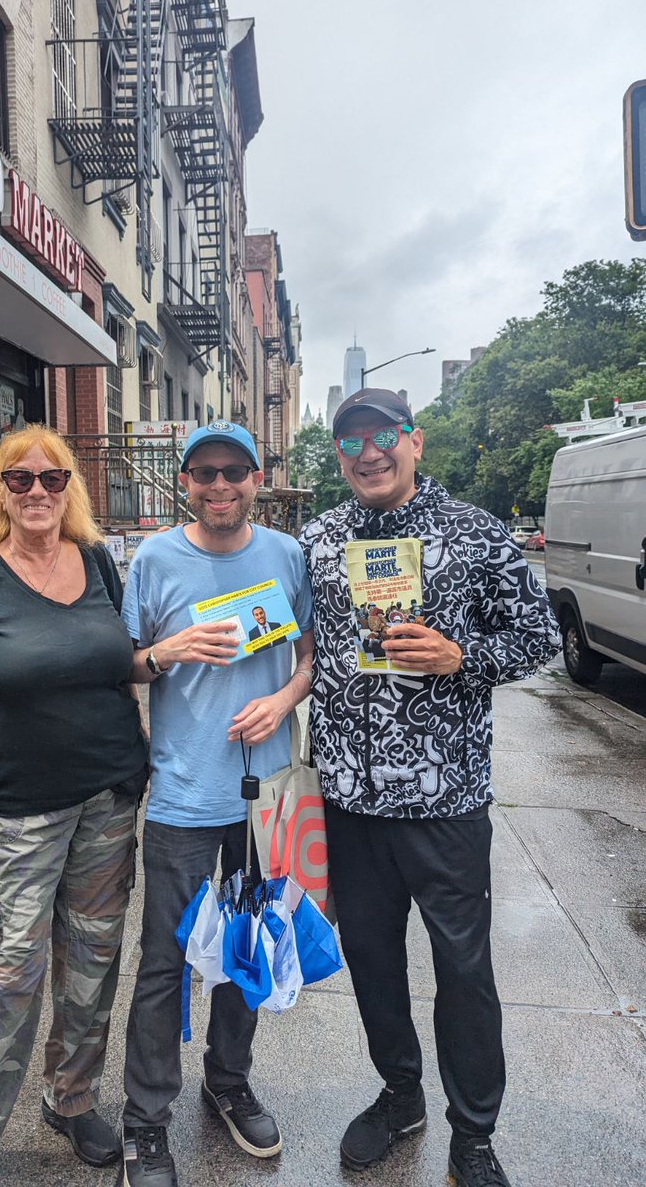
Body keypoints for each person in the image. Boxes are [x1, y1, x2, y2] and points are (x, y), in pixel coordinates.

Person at [299, 388, 560, 1187]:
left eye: (383, 437)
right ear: (339, 457)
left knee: (462, 970)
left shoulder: (476, 533)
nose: (367, 453)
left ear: (414, 442)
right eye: (350, 443)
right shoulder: (315, 539)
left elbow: (537, 637)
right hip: (347, 799)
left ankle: (473, 1131)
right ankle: (398, 1095)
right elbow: (288, 637)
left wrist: (460, 657)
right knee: (371, 960)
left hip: (444, 799)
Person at [0, 425, 148, 1186]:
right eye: (21, 479)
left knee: (92, 961)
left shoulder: (100, 562)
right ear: (0, 492)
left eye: (52, 478)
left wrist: (170, 655)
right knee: (11, 972)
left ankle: (70, 1098)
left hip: (108, 798)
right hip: (20, 811)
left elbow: (120, 665)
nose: (38, 491)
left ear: (69, 486)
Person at [119, 421, 314, 1187]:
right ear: (185, 482)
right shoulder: (155, 558)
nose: (220, 485)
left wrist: (284, 698)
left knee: (246, 948)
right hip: (181, 796)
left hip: (263, 798)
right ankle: (145, 1121)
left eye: (235, 471)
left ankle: (227, 1081)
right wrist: (162, 653)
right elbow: (125, 662)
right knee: (164, 963)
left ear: (256, 478)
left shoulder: (286, 556)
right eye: (204, 472)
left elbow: (310, 656)